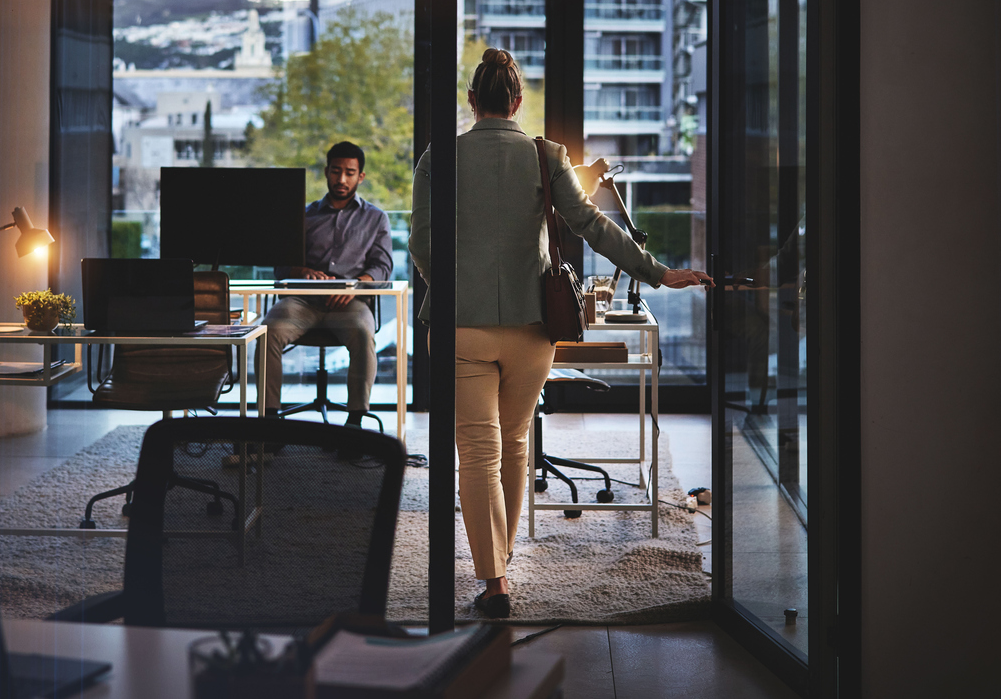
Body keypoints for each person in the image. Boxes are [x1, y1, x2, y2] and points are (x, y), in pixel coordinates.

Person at [408, 48, 712, 619]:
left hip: (460, 328)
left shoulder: (438, 158)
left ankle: (494, 580)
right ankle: (505, 559)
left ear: (472, 102)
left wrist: (453, 290)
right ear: (517, 103)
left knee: (476, 452)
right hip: (532, 330)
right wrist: (659, 272)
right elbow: (593, 226)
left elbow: (421, 243)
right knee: (515, 441)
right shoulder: (547, 156)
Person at [261, 141, 394, 426]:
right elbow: (280, 267)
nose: (341, 179)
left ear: (361, 176)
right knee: (267, 332)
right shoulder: (304, 216)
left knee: (362, 332)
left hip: (350, 303)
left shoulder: (376, 218)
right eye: (336, 171)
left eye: (349, 172)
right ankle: (269, 420)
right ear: (326, 172)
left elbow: (382, 268)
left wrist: (354, 287)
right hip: (303, 302)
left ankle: (355, 421)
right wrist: (302, 270)